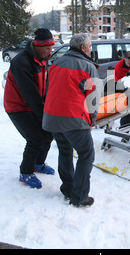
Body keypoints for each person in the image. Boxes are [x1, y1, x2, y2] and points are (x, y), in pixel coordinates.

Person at [42, 33, 100, 207]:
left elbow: (48, 89)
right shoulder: (87, 66)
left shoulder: (55, 63)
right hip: (73, 118)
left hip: (52, 117)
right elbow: (93, 98)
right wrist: (92, 120)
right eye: (90, 46)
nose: (91, 49)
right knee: (86, 154)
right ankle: (80, 197)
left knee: (65, 151)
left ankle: (68, 189)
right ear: (83, 48)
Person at [4, 28, 55, 189]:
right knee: (35, 139)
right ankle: (25, 172)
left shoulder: (45, 58)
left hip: (36, 103)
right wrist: (44, 115)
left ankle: (38, 163)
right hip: (18, 106)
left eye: (51, 47)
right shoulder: (21, 62)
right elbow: (29, 93)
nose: (50, 51)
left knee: (48, 134)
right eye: (47, 48)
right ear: (37, 46)